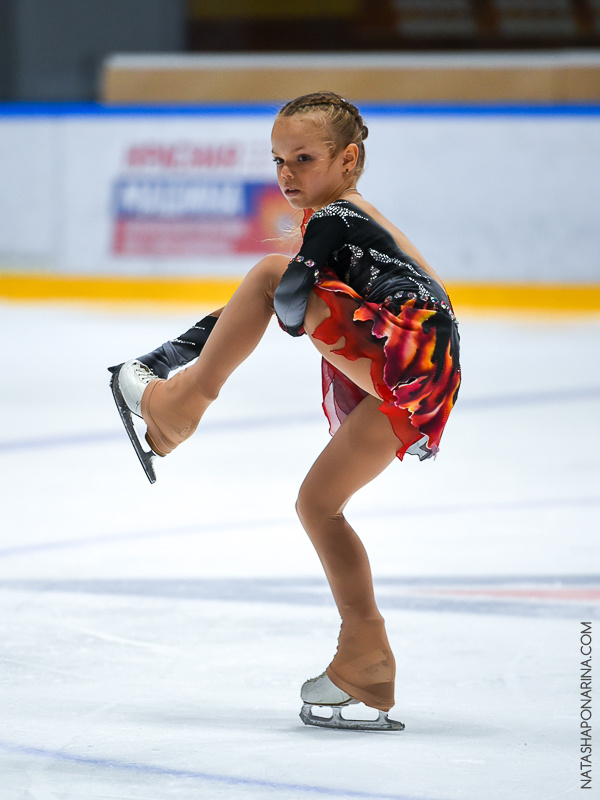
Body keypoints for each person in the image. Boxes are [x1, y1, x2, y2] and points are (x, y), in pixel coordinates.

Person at [109, 91, 461, 731]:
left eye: (303, 158)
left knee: (271, 272)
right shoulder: (351, 226)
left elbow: (286, 295)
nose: (287, 175)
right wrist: (165, 355)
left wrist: (284, 303)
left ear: (347, 161)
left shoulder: (340, 218)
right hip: (421, 380)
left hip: (406, 355)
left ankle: (181, 408)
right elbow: (266, 304)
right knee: (317, 505)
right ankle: (366, 661)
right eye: (278, 161)